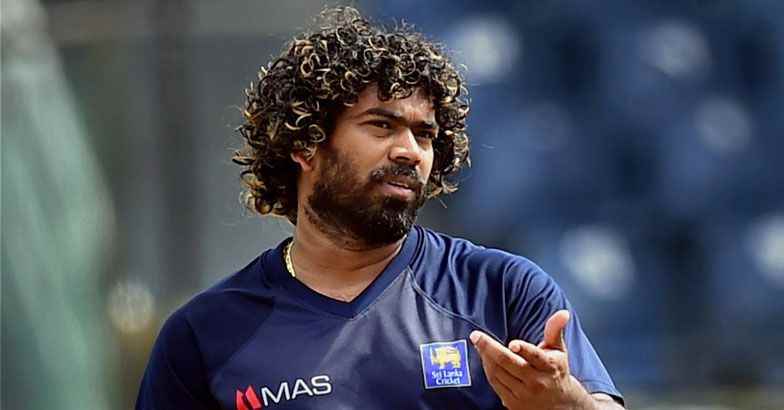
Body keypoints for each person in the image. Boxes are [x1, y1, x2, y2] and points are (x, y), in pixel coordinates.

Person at [136, 7, 625, 410]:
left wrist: (566, 405)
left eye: (425, 134)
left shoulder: (502, 290)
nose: (410, 151)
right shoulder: (204, 335)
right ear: (305, 145)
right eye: (382, 126)